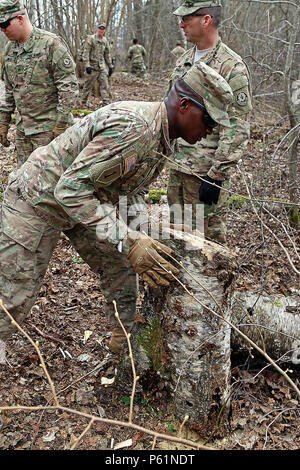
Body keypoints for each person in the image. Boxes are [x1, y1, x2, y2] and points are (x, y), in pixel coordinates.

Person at [0, 62, 233, 356]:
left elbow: (127, 191)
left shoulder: (163, 137)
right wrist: (126, 237)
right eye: (209, 121)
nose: (209, 132)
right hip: (37, 200)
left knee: (122, 267)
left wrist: (147, 232)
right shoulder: (135, 130)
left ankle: (124, 348)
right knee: (12, 298)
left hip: (84, 202)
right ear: (185, 105)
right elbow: (69, 189)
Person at [167, 0, 252, 244]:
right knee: (176, 237)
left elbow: (237, 126)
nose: (181, 24)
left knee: (208, 246)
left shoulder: (231, 67)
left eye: (187, 18)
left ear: (206, 20)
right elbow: (170, 110)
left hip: (204, 173)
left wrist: (217, 176)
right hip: (177, 169)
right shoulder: (183, 61)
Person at [0, 0, 78, 167]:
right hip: (23, 133)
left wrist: (61, 126)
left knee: (52, 185)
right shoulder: (9, 50)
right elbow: (8, 90)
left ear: (20, 19)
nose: (2, 29)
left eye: (5, 24)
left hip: (50, 131)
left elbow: (68, 87)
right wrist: (3, 121)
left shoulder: (50, 44)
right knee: (26, 181)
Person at [80, 22, 113, 107]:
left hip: (101, 68)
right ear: (97, 29)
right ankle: (82, 103)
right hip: (92, 68)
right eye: (100, 28)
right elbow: (85, 53)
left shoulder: (105, 40)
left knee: (105, 86)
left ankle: (106, 104)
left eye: (103, 29)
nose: (101, 30)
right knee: (87, 87)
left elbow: (107, 54)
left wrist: (110, 66)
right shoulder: (91, 39)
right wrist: (87, 65)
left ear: (104, 30)